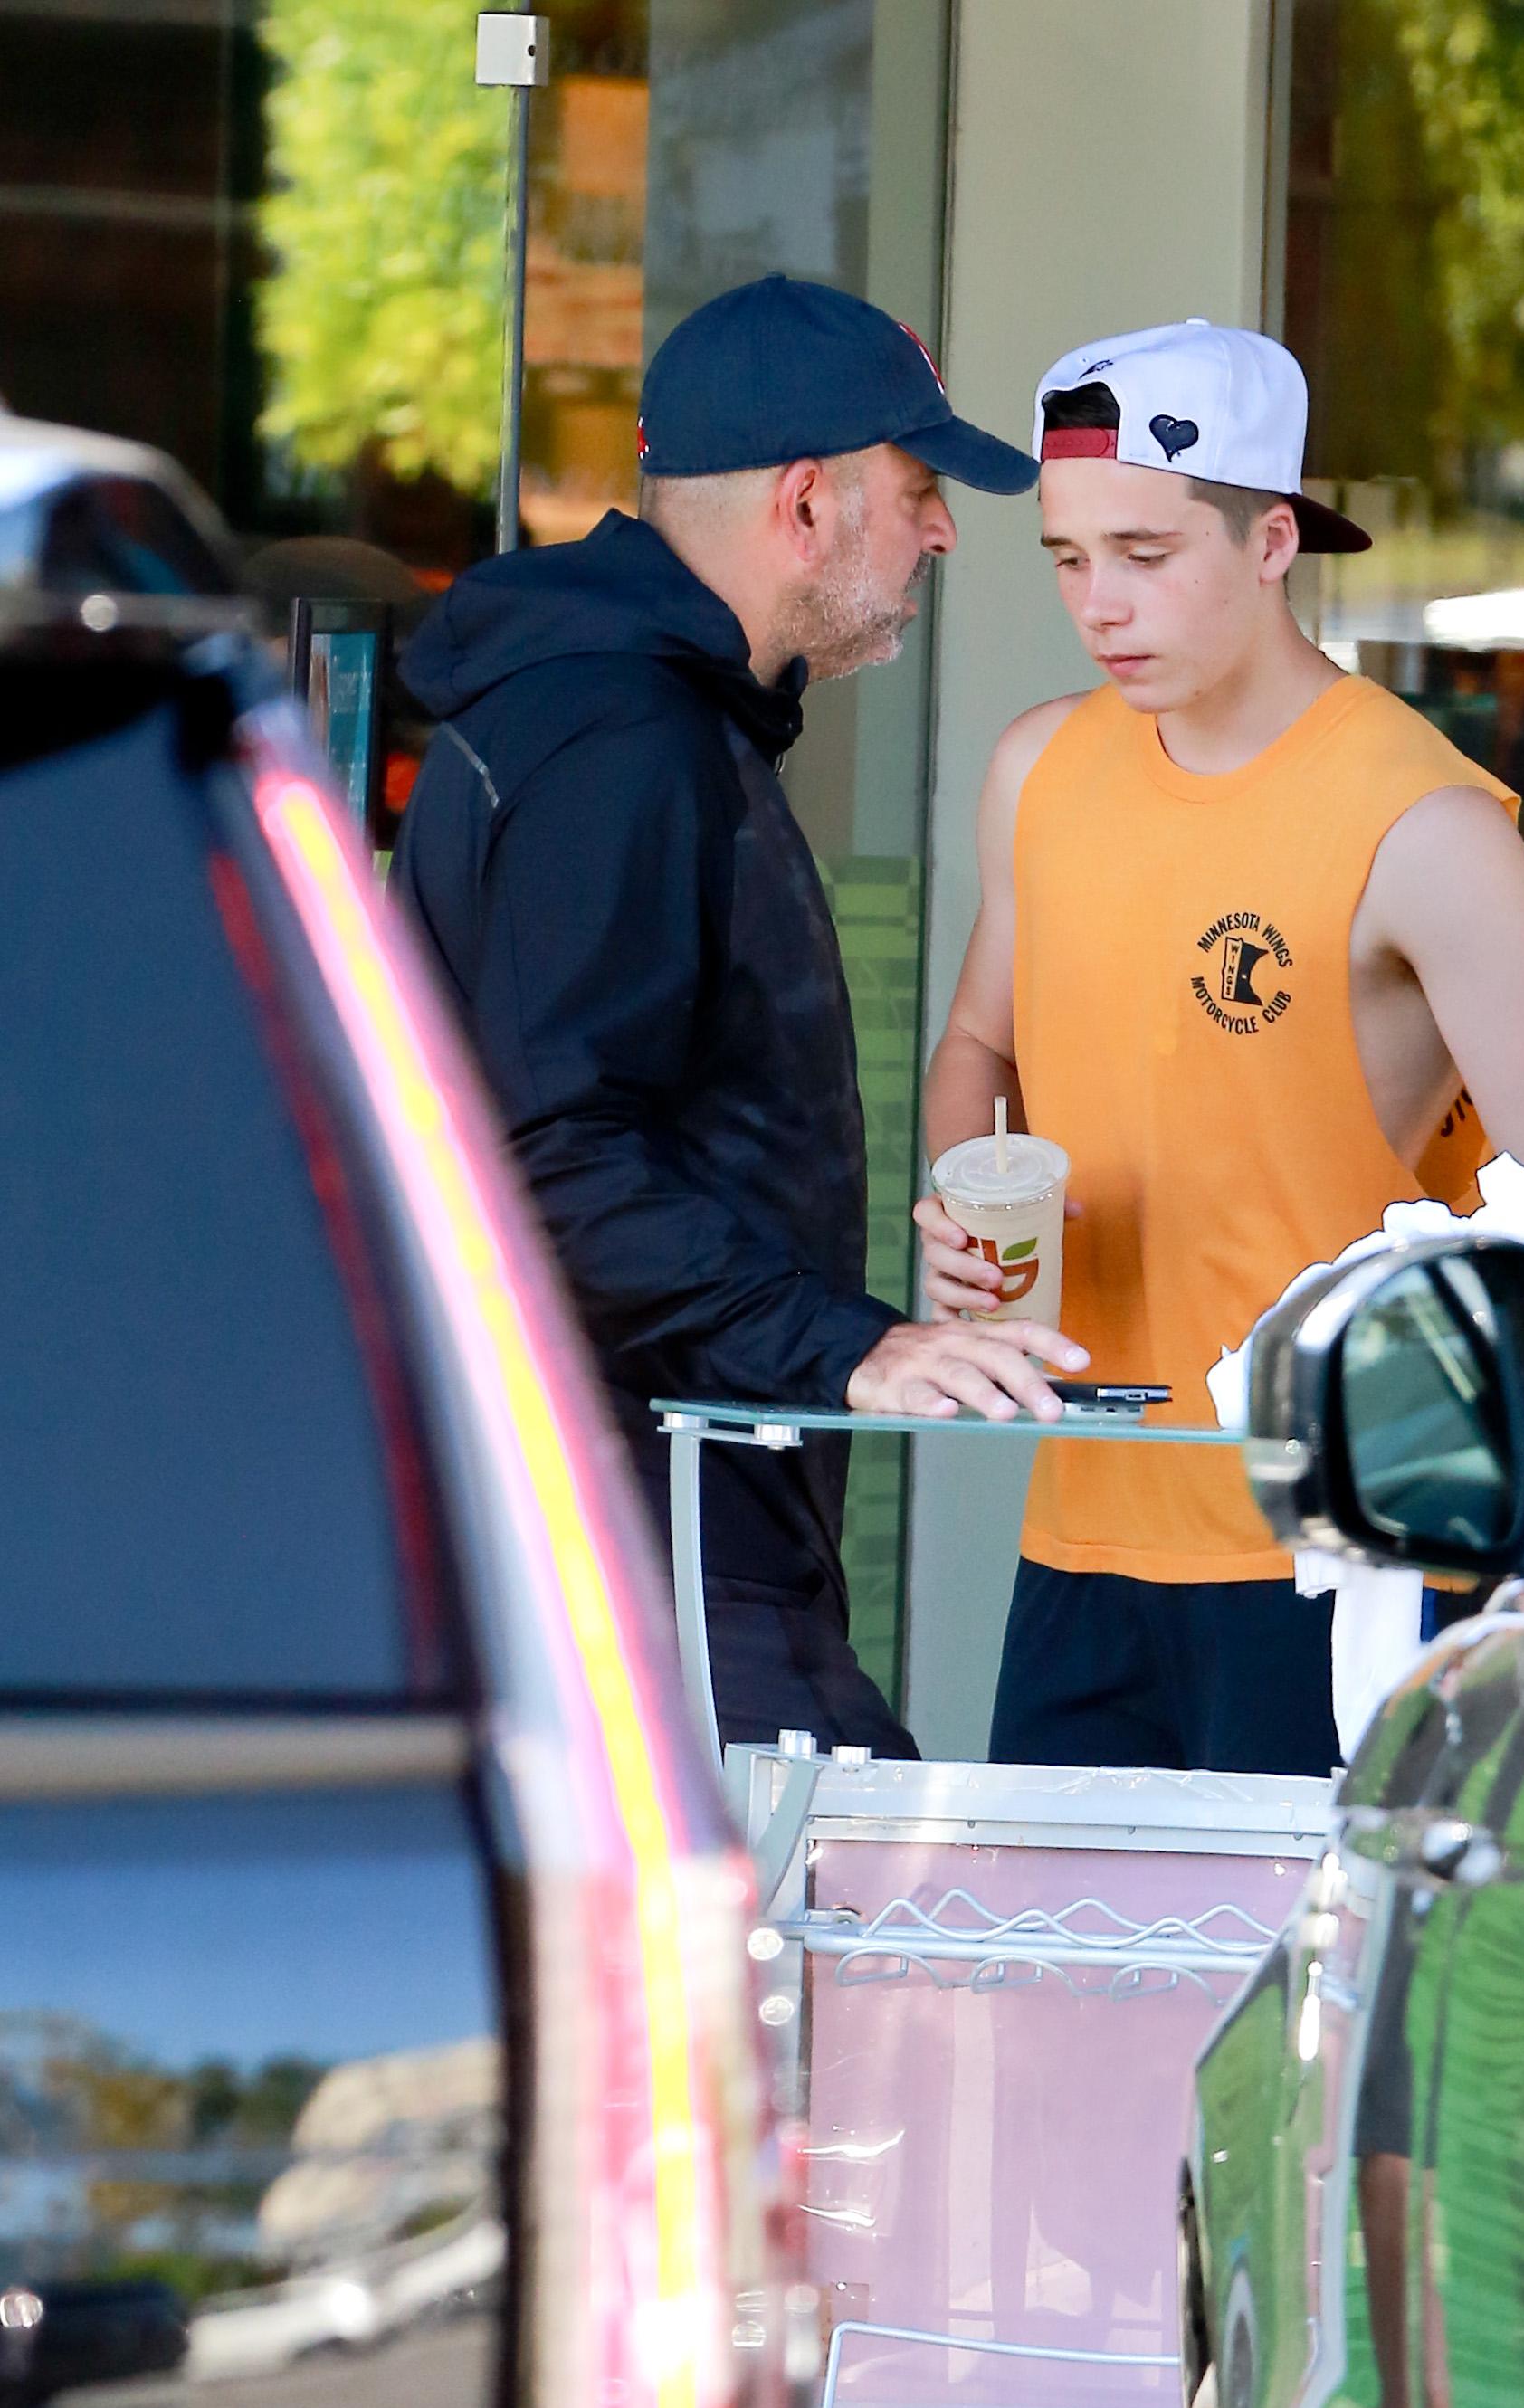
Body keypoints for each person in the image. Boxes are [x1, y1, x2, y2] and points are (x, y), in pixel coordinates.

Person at [918, 319, 1524, 1775]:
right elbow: (977, 1044)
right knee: (1066, 1994)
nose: (1099, 605)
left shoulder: (1422, 825)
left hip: (1346, 1561)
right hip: (1085, 1532)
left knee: (1304, 2004)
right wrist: (955, 1217)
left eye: (1145, 552)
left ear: (1268, 542)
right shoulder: (1036, 769)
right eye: (1067, 559)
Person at [394, 277, 1086, 1756]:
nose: (945, 533)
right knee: (860, 1936)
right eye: (918, 492)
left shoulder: (634, 716)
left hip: (668, 1518)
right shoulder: (620, 739)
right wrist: (847, 1345)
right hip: (641, 1534)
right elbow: (549, 1160)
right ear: (805, 503)